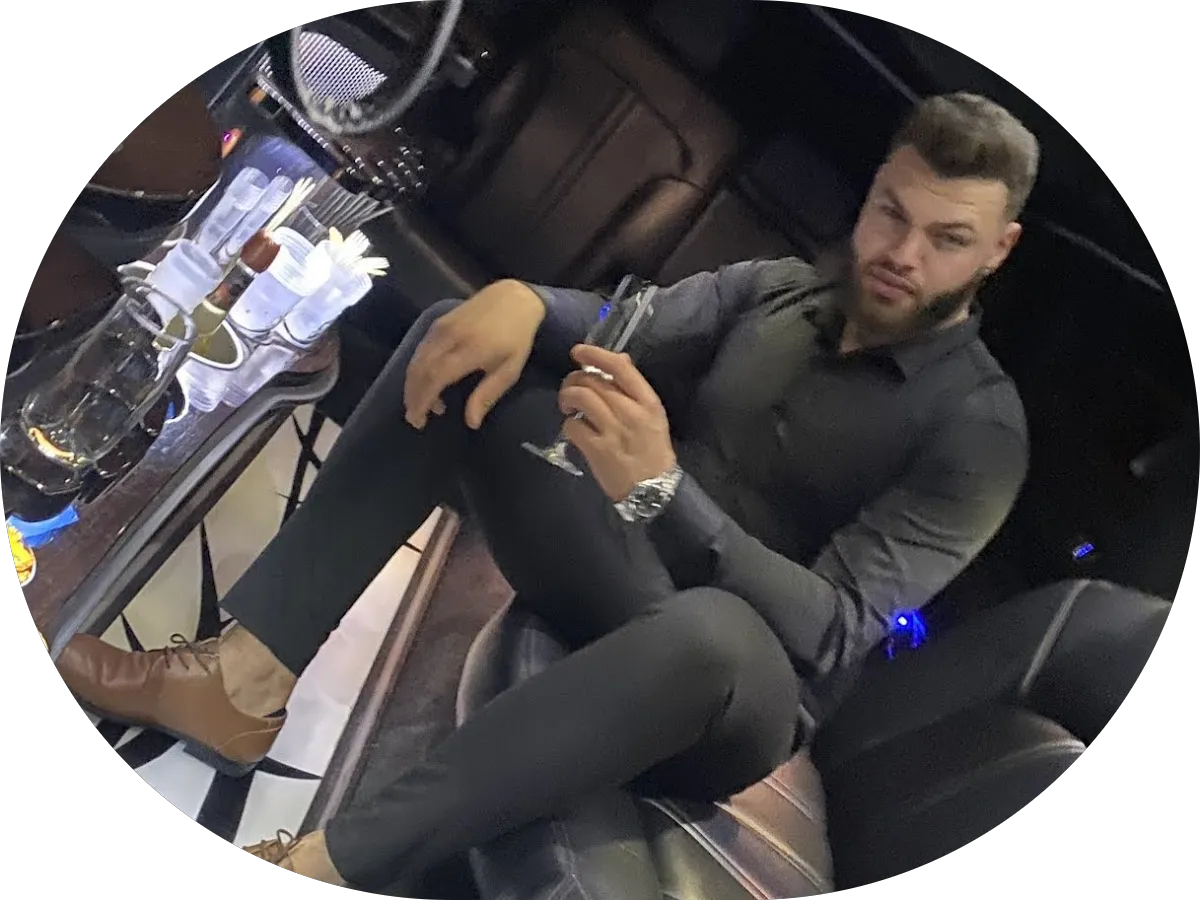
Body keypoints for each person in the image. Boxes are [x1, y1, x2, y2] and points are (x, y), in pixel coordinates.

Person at [56, 92, 1037, 889]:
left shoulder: (979, 432)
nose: (904, 254)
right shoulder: (780, 290)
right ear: (873, 193)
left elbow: (830, 630)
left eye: (948, 238)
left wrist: (663, 494)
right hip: (628, 571)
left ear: (998, 250)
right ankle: (242, 680)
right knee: (464, 342)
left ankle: (323, 863)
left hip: (735, 692)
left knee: (713, 629)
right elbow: (619, 323)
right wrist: (521, 301)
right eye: (891, 213)